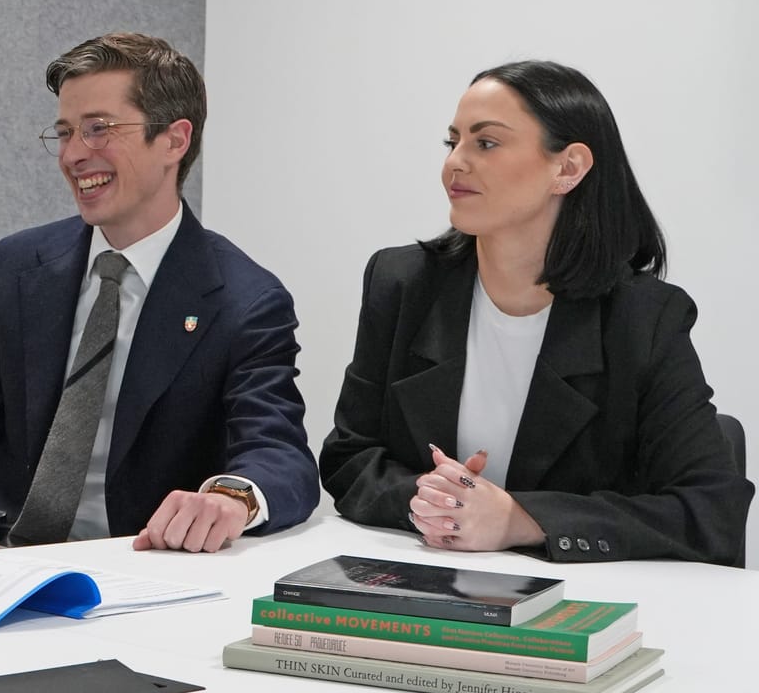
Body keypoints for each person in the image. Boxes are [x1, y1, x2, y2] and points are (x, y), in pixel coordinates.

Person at [0, 32, 319, 553]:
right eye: (65, 133)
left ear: (174, 140)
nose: (74, 155)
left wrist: (231, 499)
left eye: (99, 130)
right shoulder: (15, 267)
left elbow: (278, 454)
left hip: (139, 571)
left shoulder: (244, 300)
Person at [320, 60, 750, 564]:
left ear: (567, 168)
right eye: (452, 142)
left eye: (486, 143)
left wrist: (519, 519)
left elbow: (711, 510)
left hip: (586, 603)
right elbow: (350, 457)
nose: (455, 163)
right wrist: (433, 500)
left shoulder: (644, 319)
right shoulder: (401, 283)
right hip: (429, 577)